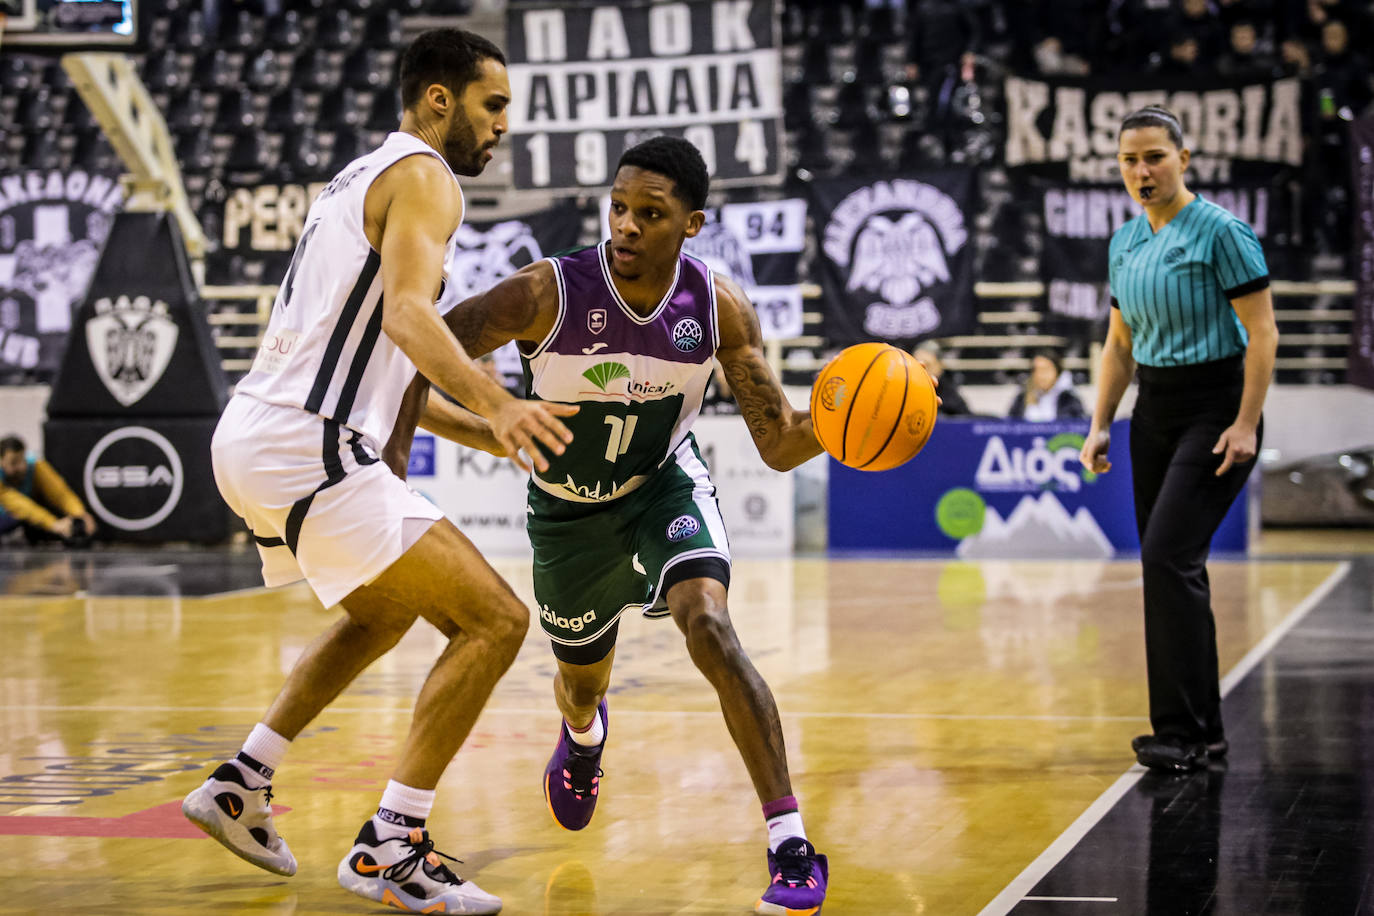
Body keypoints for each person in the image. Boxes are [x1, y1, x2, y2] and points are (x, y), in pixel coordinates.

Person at [180, 29, 576, 915]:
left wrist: (498, 435)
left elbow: (385, 363)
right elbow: (407, 318)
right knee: (497, 623)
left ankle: (242, 783)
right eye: (493, 104)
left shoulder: (358, 178)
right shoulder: (428, 179)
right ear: (440, 99)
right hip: (303, 440)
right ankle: (390, 847)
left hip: (266, 434)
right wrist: (505, 403)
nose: (503, 125)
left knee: (382, 615)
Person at [429, 136, 830, 914]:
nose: (626, 226)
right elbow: (412, 360)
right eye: (618, 208)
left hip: (662, 487)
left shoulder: (717, 307)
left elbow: (779, 443)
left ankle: (789, 841)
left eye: (651, 214)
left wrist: (852, 420)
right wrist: (494, 424)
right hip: (568, 513)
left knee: (709, 627)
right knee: (581, 685)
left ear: (692, 225)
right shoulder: (543, 294)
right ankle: (583, 738)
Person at [1080, 105, 1278, 773]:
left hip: (1216, 405)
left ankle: (1191, 731)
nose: (1143, 170)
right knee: (1164, 570)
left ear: (1184, 159)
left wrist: (1246, 421)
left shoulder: (1222, 232)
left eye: (1155, 156)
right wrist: (1101, 420)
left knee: (1169, 556)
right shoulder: (1125, 242)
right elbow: (1119, 343)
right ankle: (1188, 731)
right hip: (1155, 409)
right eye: (1131, 159)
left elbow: (1263, 332)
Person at [0, 434, 96, 546]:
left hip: (22, 517)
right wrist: (53, 524)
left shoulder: (35, 467)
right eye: (13, 462)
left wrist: (80, 514)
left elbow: (60, 493)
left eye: (22, 460)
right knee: (17, 516)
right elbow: (19, 505)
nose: (21, 467)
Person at [1006, 349, 1084, 421]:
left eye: (1045, 370)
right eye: (1036, 370)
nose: (1040, 375)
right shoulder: (1022, 398)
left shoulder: (1069, 399)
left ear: (1057, 372)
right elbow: (1011, 424)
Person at [913, 340, 971, 416]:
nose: (922, 370)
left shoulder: (950, 393)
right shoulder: (906, 388)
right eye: (917, 365)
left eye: (927, 365)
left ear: (939, 366)